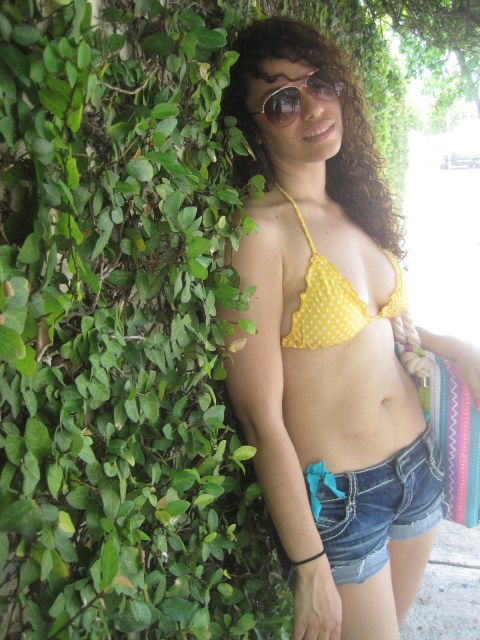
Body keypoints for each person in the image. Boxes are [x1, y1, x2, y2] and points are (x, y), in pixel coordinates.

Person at [218, 16, 480, 640]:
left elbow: (382, 328)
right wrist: (309, 564)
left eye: (319, 82)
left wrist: (458, 348)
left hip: (418, 469)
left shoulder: (351, 206)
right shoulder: (259, 233)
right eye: (282, 101)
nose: (313, 107)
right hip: (345, 502)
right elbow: (259, 417)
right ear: (254, 126)